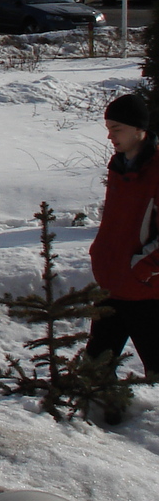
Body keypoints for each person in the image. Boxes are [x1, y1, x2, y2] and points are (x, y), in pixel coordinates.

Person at [88, 93, 159, 379]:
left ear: (139, 129)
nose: (109, 136)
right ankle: (101, 417)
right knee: (93, 372)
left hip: (145, 292)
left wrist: (142, 267)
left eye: (116, 128)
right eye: (108, 128)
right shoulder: (119, 168)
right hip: (112, 285)